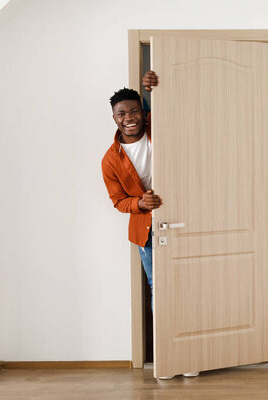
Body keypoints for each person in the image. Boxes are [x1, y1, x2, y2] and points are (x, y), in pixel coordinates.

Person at [101, 71, 199, 379]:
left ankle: (193, 353)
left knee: (191, 283)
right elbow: (118, 202)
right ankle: (169, 356)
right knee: (160, 287)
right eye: (121, 114)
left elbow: (174, 106)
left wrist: (153, 87)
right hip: (146, 229)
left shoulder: (158, 127)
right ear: (114, 119)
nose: (128, 118)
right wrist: (139, 204)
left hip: (183, 218)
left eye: (133, 111)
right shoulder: (110, 159)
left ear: (143, 114)